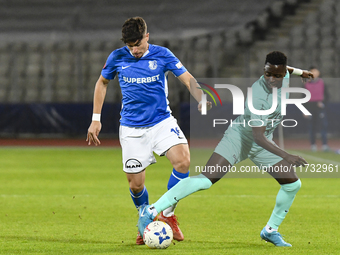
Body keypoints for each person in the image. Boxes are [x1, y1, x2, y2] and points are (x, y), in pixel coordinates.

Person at [138, 51, 314, 247]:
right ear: (264, 70)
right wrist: (286, 155)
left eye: (277, 75)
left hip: (262, 143)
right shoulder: (258, 95)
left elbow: (287, 69)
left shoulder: (285, 75)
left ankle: (270, 230)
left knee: (292, 184)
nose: (271, 79)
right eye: (268, 74)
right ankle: (152, 211)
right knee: (205, 181)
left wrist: (302, 73)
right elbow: (258, 136)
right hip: (239, 139)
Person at [86, 17, 209, 245]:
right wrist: (96, 119)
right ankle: (144, 217)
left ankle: (167, 214)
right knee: (136, 184)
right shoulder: (117, 57)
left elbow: (186, 77)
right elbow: (102, 82)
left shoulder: (162, 55)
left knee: (183, 161)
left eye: (138, 45)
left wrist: (201, 96)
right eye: (130, 46)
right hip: (132, 128)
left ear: (147, 37)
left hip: (161, 121)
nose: (134, 50)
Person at [303, 67, 329, 152]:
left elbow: (327, 96)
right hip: (310, 108)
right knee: (311, 127)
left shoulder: (322, 83)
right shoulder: (305, 84)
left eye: (315, 71)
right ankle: (313, 145)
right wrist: (304, 110)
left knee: (323, 126)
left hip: (320, 108)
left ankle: (324, 145)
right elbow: (302, 98)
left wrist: (323, 103)